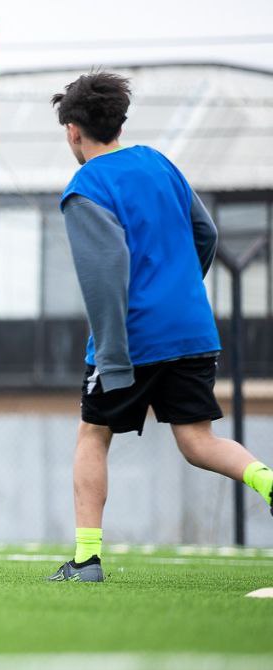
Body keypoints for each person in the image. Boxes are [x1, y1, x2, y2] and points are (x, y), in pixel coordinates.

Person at [47, 72, 273, 583]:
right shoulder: (159, 162)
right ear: (118, 122)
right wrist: (179, 292)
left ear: (73, 132)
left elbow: (105, 277)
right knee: (197, 441)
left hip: (133, 336)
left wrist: (111, 356)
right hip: (193, 329)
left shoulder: (85, 187)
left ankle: (86, 560)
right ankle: (267, 480)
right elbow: (206, 233)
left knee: (92, 433)